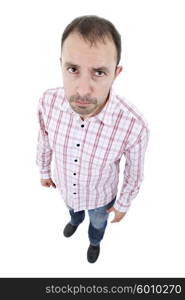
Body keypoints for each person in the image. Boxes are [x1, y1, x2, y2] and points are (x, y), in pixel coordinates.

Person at [36, 15, 149, 263]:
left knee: (98, 224)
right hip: (65, 188)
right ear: (61, 65)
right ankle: (74, 220)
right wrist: (44, 170)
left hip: (101, 199)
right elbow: (44, 139)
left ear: (116, 73)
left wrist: (123, 204)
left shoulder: (134, 125)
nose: (83, 90)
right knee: (72, 212)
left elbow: (134, 172)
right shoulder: (47, 102)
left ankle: (94, 241)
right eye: (73, 69)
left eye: (99, 72)